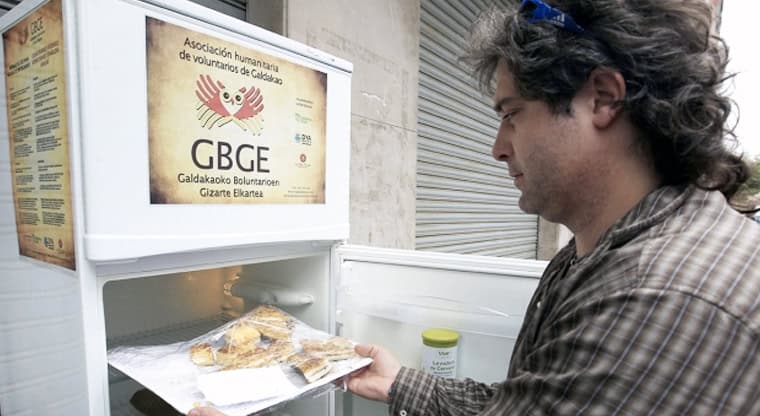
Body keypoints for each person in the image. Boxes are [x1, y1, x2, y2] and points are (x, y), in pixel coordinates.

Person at [189, 0, 760, 415]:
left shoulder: (662, 294)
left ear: (602, 98)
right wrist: (400, 383)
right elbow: (535, 402)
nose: (497, 147)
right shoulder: (600, 247)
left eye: (511, 113)